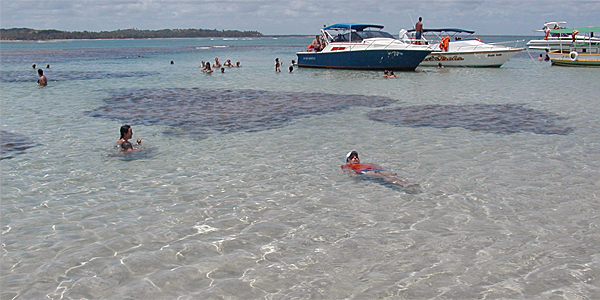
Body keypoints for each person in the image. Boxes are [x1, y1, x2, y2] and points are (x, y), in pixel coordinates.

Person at [341, 151, 415, 187]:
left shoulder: (365, 163)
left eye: (356, 156)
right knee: (382, 176)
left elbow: (377, 166)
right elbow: (348, 172)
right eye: (352, 157)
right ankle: (402, 184)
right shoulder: (347, 166)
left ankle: (407, 182)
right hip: (364, 172)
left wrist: (385, 170)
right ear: (348, 160)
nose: (355, 158)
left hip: (375, 170)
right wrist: (356, 177)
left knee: (392, 175)